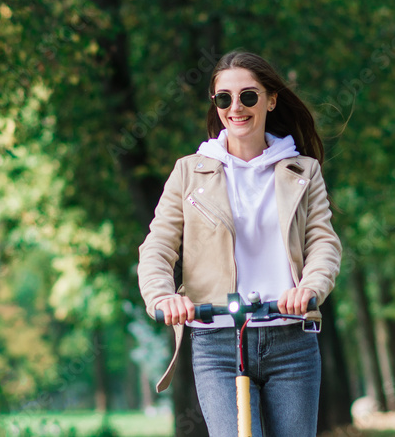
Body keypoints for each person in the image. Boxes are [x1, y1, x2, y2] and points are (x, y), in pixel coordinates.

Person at [138, 50, 343, 437]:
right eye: (224, 98)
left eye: (249, 96)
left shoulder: (302, 171)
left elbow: (323, 243)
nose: (236, 107)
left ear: (270, 99)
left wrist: (311, 287)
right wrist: (163, 297)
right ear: (215, 105)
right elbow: (157, 247)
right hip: (218, 342)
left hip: (292, 339)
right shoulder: (189, 172)